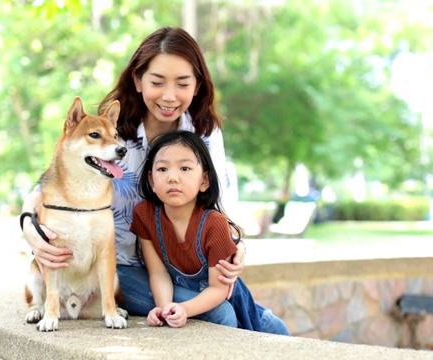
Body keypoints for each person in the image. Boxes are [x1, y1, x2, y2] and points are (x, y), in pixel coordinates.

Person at [20, 27, 246, 327]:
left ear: (197, 85)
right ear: (138, 81)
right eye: (157, 82)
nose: (169, 96)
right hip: (121, 265)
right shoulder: (111, 131)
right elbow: (52, 182)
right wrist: (27, 224)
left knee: (264, 321)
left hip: (187, 261)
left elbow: (219, 202)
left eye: (182, 83)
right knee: (221, 314)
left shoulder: (204, 132)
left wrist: (238, 245)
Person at [130, 130, 289, 335]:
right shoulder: (144, 214)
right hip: (191, 298)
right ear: (151, 181)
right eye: (162, 169)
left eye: (185, 168)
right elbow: (158, 273)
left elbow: (218, 289)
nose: (172, 178)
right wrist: (165, 309)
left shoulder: (215, 224)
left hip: (241, 309)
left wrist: (184, 309)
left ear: (204, 180)